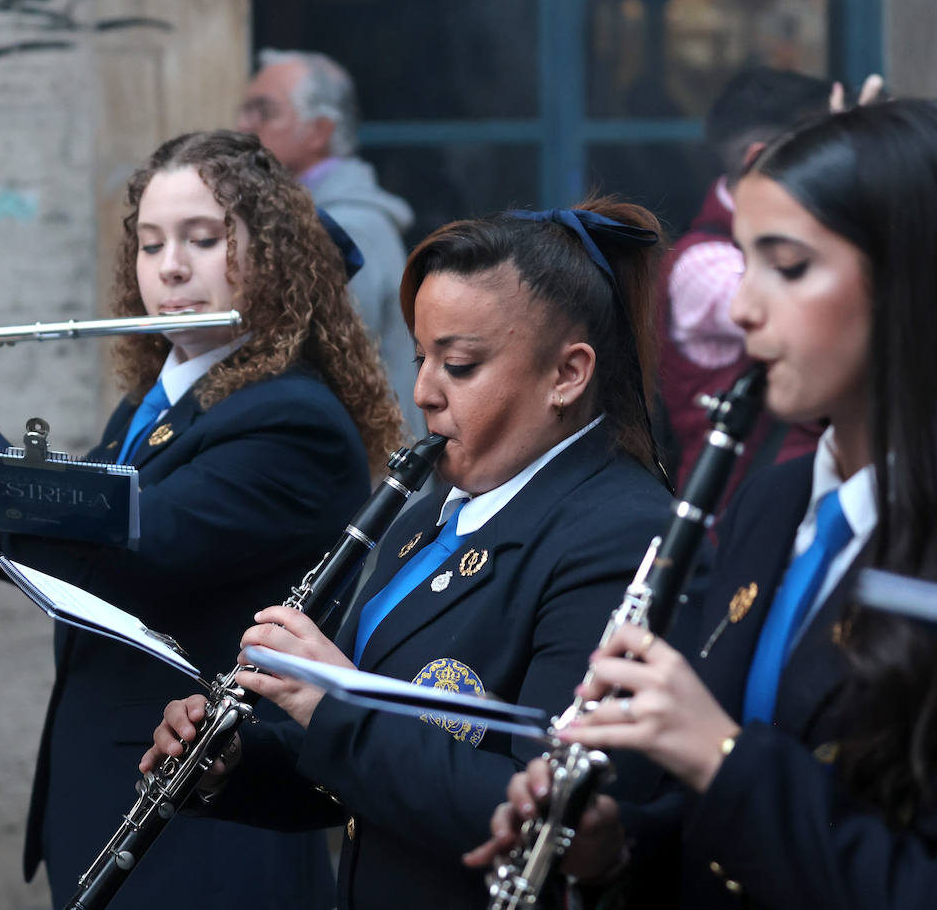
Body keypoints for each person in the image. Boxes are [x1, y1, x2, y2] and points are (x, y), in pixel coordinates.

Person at [469, 101, 937, 909]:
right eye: (743, 263)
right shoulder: (769, 504)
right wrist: (616, 846)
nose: (743, 309)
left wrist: (720, 754)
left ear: (911, 281)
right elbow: (724, 831)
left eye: (788, 265)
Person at [0, 130, 402, 910]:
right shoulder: (159, 405)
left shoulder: (293, 422)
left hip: (207, 829)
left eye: (204, 239)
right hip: (111, 803)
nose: (172, 268)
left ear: (277, 256)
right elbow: (40, 547)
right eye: (151, 245)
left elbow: (125, 550)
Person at [143, 199, 675, 910]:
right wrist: (235, 762)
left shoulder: (621, 535)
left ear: (568, 374)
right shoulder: (426, 515)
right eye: (422, 357)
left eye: (459, 364)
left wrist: (332, 703)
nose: (422, 391)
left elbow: (548, 816)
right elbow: (362, 771)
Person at [656, 67, 833, 500]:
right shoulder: (703, 263)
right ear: (757, 157)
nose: (838, 167)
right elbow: (812, 324)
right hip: (733, 527)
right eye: (825, 151)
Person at [236, 48, 421, 437]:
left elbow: (328, 360)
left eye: (264, 111)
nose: (243, 126)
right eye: (245, 110)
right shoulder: (306, 214)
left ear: (319, 130)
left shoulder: (348, 225)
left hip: (362, 471)